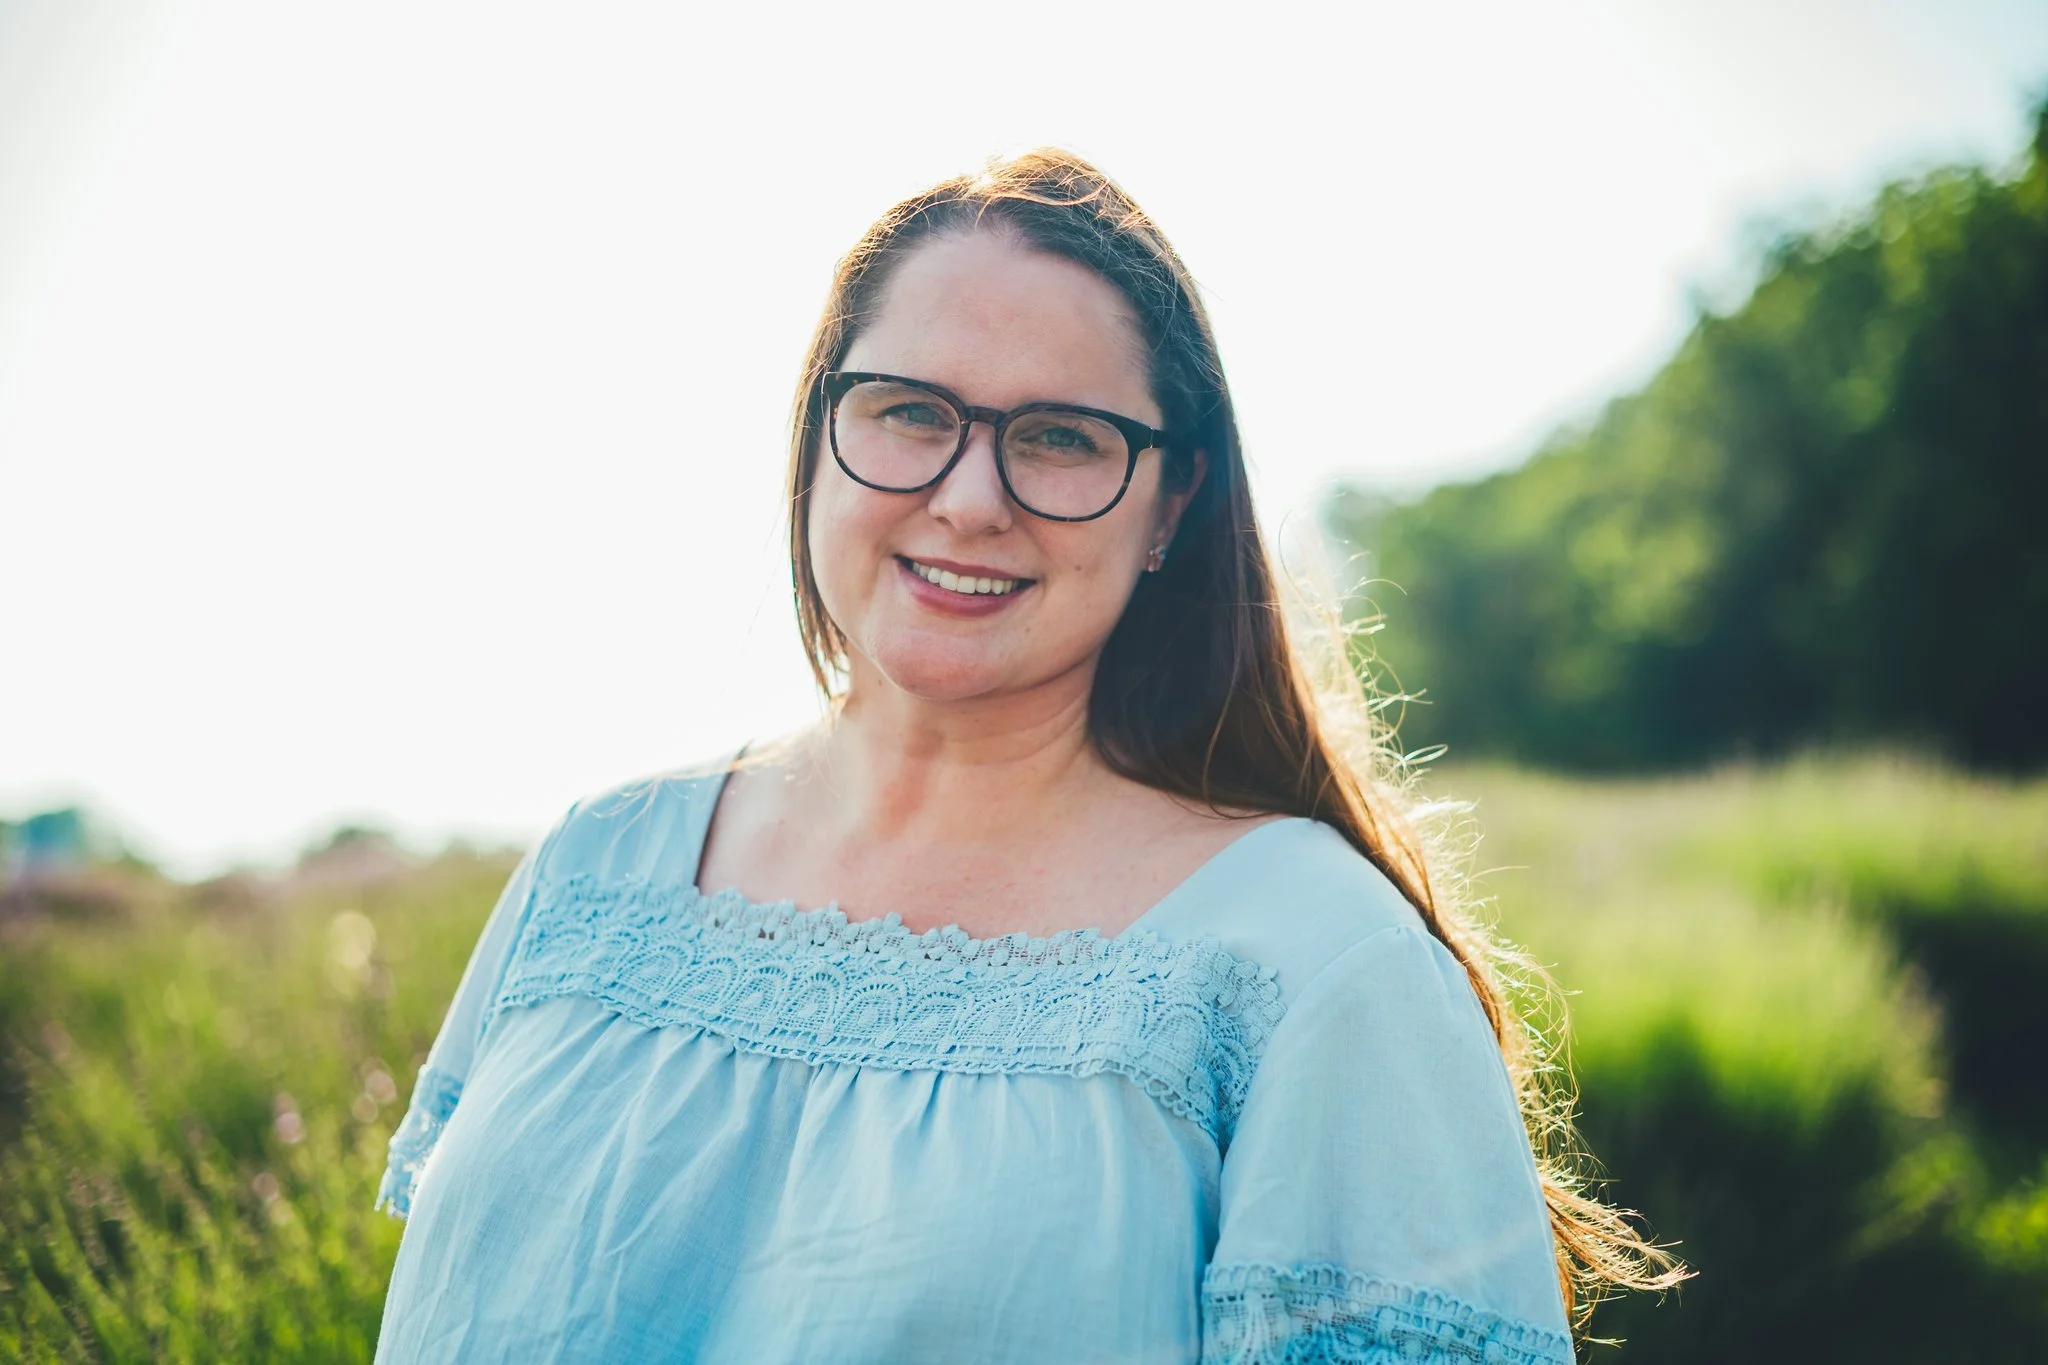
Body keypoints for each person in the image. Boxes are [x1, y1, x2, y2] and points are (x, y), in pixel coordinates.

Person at [371, 150, 1680, 1363]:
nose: (969, 498)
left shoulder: (1311, 961)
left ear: (1170, 503)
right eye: (907, 412)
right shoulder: (597, 865)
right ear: (817, 432)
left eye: (1060, 437)